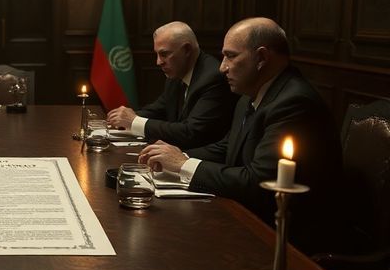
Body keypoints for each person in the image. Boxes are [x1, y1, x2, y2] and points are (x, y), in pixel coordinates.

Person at [138, 17, 341, 252]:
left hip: (288, 241)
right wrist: (174, 158)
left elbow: (259, 184)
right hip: (251, 217)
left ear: (261, 58)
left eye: (231, 56)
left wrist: (184, 164)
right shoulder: (250, 94)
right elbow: (227, 147)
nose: (222, 66)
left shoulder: (294, 103)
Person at [106, 21, 237, 148]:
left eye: (164, 54)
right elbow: (159, 109)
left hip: (203, 158)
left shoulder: (213, 77)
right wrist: (123, 119)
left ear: (187, 50)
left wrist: (134, 121)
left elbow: (191, 132)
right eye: (157, 54)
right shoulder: (176, 73)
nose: (158, 62)